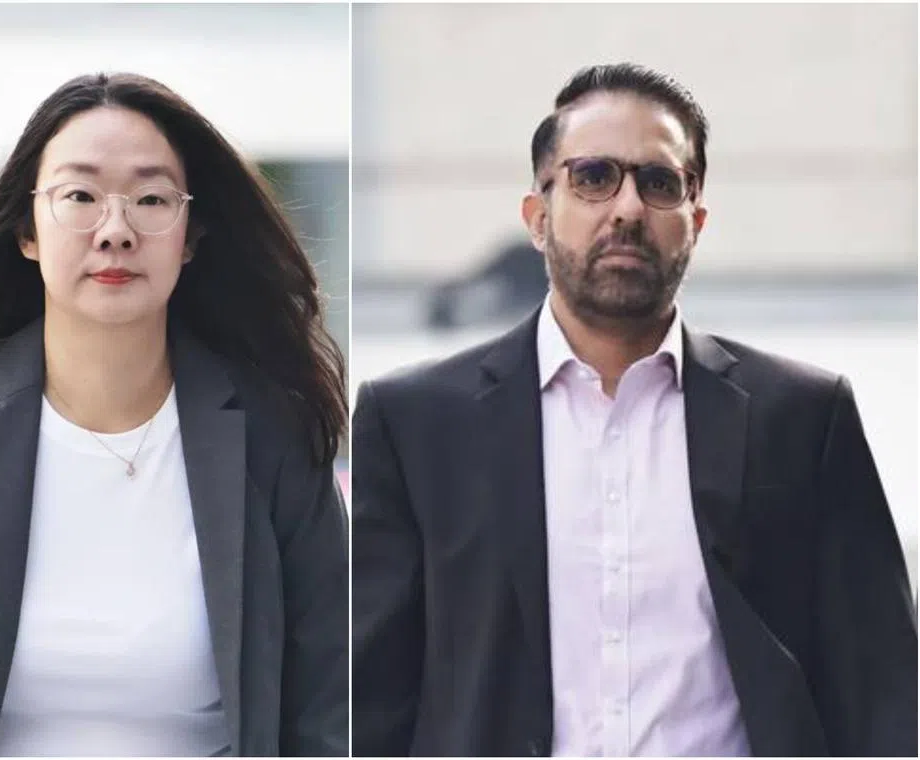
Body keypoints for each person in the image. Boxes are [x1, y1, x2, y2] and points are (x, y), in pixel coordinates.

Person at [352, 63, 917, 757]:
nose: (626, 208)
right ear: (538, 217)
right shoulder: (414, 424)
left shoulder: (802, 419)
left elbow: (884, 697)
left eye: (659, 183)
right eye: (593, 177)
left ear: (695, 222)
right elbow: (371, 706)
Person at [0, 72, 348, 757]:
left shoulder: (273, 429)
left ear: (189, 235)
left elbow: (327, 715)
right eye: (80, 197)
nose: (116, 230)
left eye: (151, 199)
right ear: (27, 231)